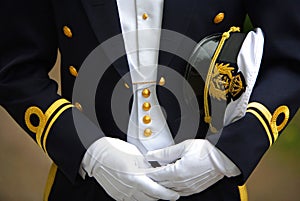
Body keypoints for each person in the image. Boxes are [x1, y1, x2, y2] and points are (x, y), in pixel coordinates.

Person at [0, 0, 299, 201]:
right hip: (88, 183)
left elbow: (291, 55)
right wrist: (89, 151)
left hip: (210, 182)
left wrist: (226, 153)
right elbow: (15, 66)